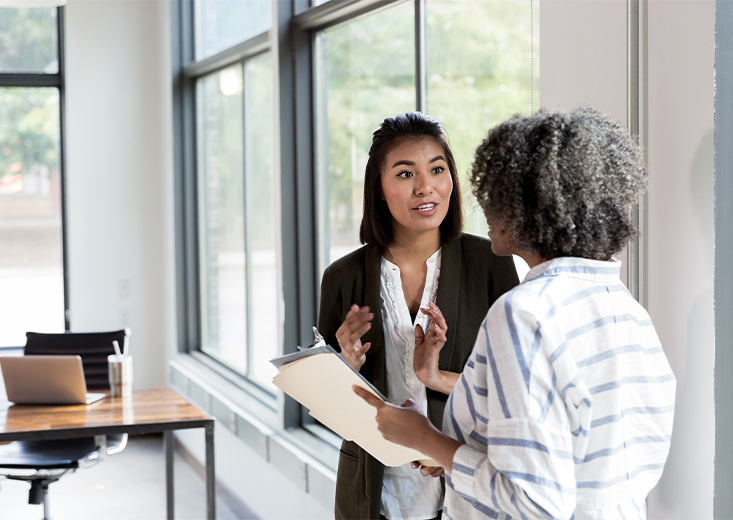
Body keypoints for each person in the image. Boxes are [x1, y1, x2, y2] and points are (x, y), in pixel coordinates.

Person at [354, 107, 677, 519]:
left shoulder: (524, 314)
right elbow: (576, 451)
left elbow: (535, 501)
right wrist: (459, 455)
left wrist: (425, 438)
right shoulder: (626, 309)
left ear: (530, 206)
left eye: (496, 192)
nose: (484, 206)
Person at [318, 111, 519, 520]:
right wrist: (346, 366)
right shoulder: (343, 278)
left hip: (465, 488)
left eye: (437, 169)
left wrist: (438, 385)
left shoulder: (490, 263)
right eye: (406, 174)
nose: (425, 187)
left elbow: (514, 391)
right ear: (379, 189)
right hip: (374, 496)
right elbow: (328, 410)